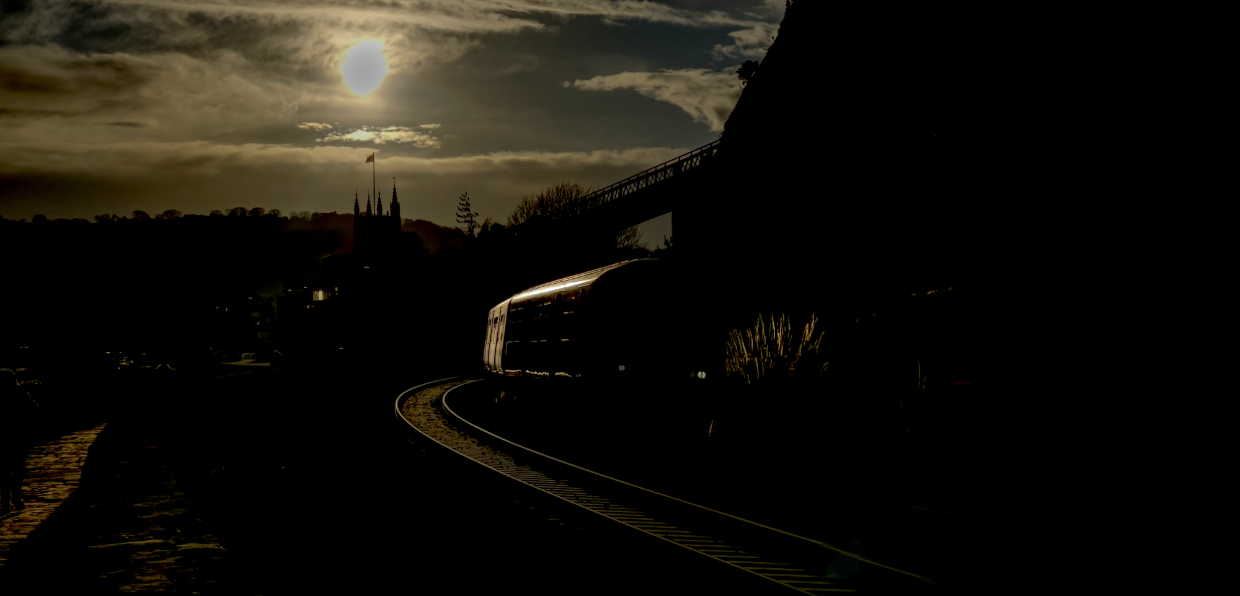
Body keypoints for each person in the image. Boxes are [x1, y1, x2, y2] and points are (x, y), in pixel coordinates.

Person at [1, 368, 39, 513]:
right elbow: (34, 410)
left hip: (4, 438)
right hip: (18, 437)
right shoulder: (20, 393)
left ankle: (4, 502)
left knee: (4, 471)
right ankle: (15, 498)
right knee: (17, 470)